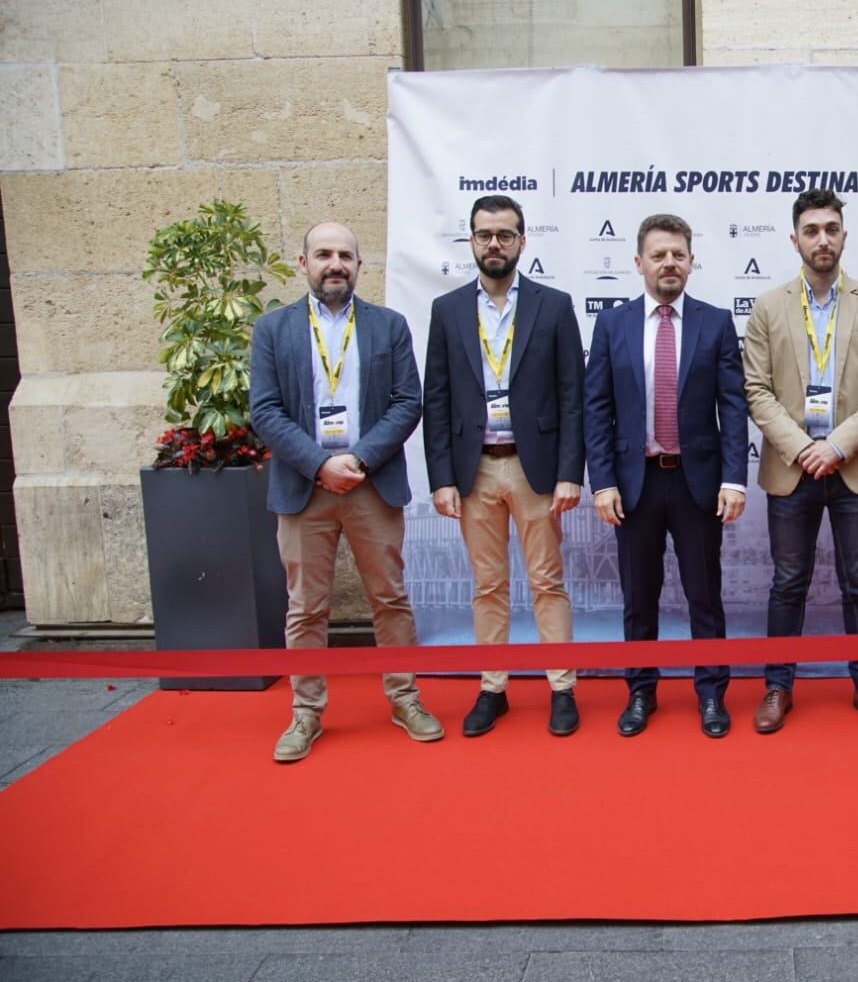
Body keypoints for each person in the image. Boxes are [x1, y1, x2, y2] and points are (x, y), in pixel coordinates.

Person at [250, 222, 442, 762]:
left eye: (345, 256)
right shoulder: (273, 329)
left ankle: (405, 698)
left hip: (370, 483)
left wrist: (357, 459)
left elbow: (408, 401)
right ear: (303, 262)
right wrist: (319, 464)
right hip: (303, 486)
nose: (335, 264)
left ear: (360, 265)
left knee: (390, 598)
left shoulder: (388, 326)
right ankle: (305, 714)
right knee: (306, 608)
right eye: (323, 254)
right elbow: (264, 410)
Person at [423, 195, 586, 738]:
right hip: (475, 470)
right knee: (487, 585)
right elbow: (437, 398)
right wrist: (442, 479)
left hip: (533, 467)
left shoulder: (554, 306)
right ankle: (493, 687)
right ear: (470, 241)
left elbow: (572, 397)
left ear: (522, 241)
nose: (495, 244)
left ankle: (562, 688)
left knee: (547, 581)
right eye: (485, 234)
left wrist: (570, 472)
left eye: (505, 235)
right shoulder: (447, 311)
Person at [584, 214, 748, 738]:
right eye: (658, 255)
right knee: (639, 596)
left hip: (697, 482)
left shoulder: (716, 322)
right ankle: (640, 692)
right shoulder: (611, 325)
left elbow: (733, 406)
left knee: (705, 595)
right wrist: (603, 482)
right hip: (636, 484)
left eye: (678, 254)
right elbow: (597, 408)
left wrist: (734, 478)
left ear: (691, 261)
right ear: (638, 263)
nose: (669, 263)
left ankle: (711, 695)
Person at [742, 189, 858, 732]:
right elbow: (757, 390)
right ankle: (777, 686)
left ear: (844, 236)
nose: (822, 239)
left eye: (831, 229)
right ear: (795, 239)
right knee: (788, 582)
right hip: (792, 467)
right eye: (811, 230)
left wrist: (835, 446)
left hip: (854, 465)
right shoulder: (768, 306)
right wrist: (803, 447)